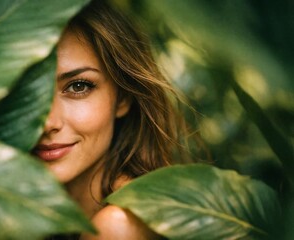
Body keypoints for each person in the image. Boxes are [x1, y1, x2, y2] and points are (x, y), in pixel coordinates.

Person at [33, 0, 196, 239]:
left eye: (79, 86)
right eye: (24, 93)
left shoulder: (116, 226)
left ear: (123, 98)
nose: (48, 122)